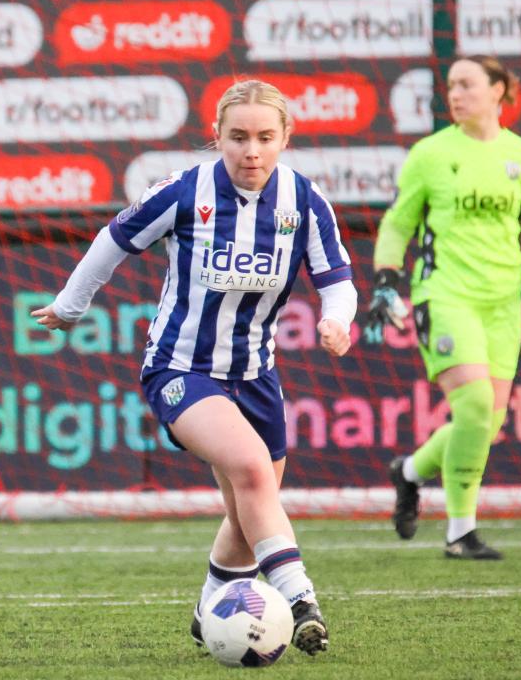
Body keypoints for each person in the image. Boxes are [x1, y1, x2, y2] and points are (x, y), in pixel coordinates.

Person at [32, 79, 356, 654]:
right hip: (181, 368)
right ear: (217, 137)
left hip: (257, 376)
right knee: (254, 471)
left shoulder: (304, 202)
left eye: (263, 137)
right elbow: (113, 241)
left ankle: (209, 612)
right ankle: (302, 600)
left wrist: (337, 320)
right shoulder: (186, 191)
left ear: (285, 138)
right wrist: (68, 306)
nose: (250, 151)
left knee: (246, 509)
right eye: (237, 137)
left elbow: (337, 282)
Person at [365, 55, 521, 560]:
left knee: (485, 422)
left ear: (499, 91)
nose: (456, 94)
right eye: (450, 86)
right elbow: (398, 224)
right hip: (444, 295)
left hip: (503, 302)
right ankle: (460, 532)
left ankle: (408, 472)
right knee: (473, 406)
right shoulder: (430, 153)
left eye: (467, 84)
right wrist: (386, 282)